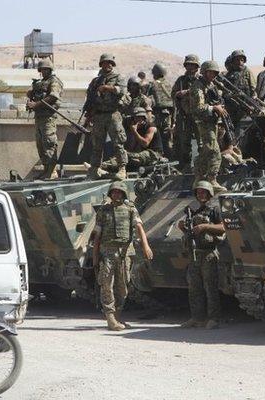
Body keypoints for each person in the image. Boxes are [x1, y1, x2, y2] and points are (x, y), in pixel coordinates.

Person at [92, 181, 153, 331]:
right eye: (114, 192)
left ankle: (117, 315)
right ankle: (110, 317)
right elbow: (97, 236)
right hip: (108, 252)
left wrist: (146, 246)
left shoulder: (130, 209)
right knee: (107, 283)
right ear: (110, 194)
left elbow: (139, 227)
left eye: (119, 192)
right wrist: (94, 256)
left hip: (125, 253)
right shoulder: (103, 211)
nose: (116, 194)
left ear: (124, 194)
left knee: (123, 286)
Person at [179, 181, 225, 330]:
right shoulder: (191, 211)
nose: (201, 195)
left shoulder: (214, 210)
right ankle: (197, 318)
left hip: (209, 253)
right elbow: (190, 232)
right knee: (194, 288)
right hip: (194, 253)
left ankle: (214, 318)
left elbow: (223, 227)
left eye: (204, 192)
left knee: (210, 287)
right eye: (199, 193)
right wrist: (183, 228)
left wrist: (205, 226)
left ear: (209, 194)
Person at [83, 54, 128, 180]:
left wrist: (107, 87)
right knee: (97, 144)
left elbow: (122, 91)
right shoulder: (95, 81)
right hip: (98, 115)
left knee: (118, 142)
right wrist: (89, 114)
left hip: (113, 114)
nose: (107, 65)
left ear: (112, 64)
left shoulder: (118, 77)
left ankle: (122, 168)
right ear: (101, 64)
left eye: (109, 63)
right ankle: (95, 168)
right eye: (104, 63)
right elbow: (90, 99)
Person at [188, 61, 228, 194]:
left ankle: (198, 177)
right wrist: (214, 108)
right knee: (214, 151)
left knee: (205, 151)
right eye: (211, 72)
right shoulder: (197, 87)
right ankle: (212, 179)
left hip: (213, 122)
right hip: (203, 123)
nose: (214, 75)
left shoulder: (212, 85)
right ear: (205, 72)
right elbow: (197, 108)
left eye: (215, 73)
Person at [26, 58, 63, 179]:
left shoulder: (54, 81)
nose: (44, 71)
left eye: (46, 69)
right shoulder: (40, 82)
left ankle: (52, 171)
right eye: (42, 69)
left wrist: (36, 105)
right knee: (40, 145)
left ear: (50, 70)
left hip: (48, 118)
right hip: (39, 117)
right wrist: (31, 95)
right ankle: (47, 170)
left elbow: (53, 96)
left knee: (49, 143)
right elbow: (33, 95)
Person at [101, 107, 163, 172]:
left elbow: (145, 143)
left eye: (141, 117)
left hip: (154, 154)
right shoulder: (135, 126)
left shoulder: (151, 127)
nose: (139, 119)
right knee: (124, 155)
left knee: (129, 156)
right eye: (136, 117)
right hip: (141, 153)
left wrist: (134, 131)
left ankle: (105, 165)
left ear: (144, 117)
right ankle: (104, 166)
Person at [172, 54, 201, 172]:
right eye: (188, 65)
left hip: (199, 115)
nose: (190, 68)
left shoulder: (201, 79)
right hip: (185, 115)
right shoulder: (181, 80)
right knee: (185, 142)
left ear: (197, 66)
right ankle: (187, 165)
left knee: (202, 142)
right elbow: (174, 94)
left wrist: (190, 92)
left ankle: (202, 164)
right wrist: (180, 94)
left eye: (192, 65)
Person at [146, 63, 175, 159]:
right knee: (167, 139)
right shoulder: (169, 85)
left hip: (156, 114)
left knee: (156, 138)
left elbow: (146, 99)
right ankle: (169, 159)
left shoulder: (151, 85)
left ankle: (158, 158)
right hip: (168, 115)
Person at [223, 49, 256, 131]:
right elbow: (223, 91)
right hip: (231, 108)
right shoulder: (228, 75)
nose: (240, 62)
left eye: (242, 60)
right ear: (232, 61)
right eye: (237, 60)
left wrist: (252, 104)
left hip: (245, 109)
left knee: (243, 130)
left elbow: (254, 89)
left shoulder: (247, 72)